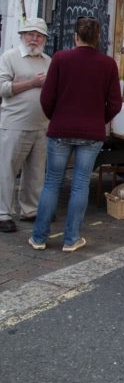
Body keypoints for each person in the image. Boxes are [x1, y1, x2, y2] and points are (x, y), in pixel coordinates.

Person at [30, 17, 122, 252]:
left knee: (52, 182)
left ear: (76, 36)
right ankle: (71, 240)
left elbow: (46, 97)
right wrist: (98, 121)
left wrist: (56, 117)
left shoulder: (60, 58)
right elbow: (115, 104)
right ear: (98, 38)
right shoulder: (108, 64)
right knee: (80, 184)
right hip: (92, 133)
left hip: (60, 129)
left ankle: (39, 238)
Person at [0, 18, 52, 233]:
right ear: (21, 35)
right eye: (30, 33)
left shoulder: (48, 60)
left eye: (39, 35)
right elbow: (2, 88)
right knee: (6, 170)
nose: (34, 38)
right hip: (14, 123)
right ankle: (2, 213)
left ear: (44, 39)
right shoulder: (9, 57)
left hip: (41, 124)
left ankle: (30, 210)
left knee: (36, 171)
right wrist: (32, 83)